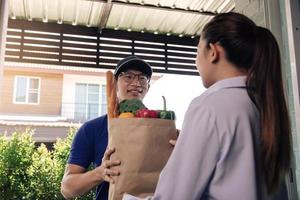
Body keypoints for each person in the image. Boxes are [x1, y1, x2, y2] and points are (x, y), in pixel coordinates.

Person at [122, 12, 291, 200]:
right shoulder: (263, 103)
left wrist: (124, 197)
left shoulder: (208, 107)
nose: (196, 61)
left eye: (197, 52)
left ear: (212, 51)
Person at [60, 55, 153, 200]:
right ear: (114, 83)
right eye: (128, 76)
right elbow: (67, 189)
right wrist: (99, 173)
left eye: (142, 78)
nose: (136, 83)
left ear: (148, 86)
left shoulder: (159, 127)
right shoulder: (91, 129)